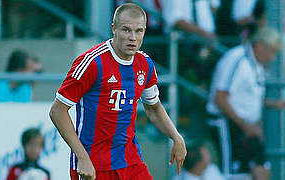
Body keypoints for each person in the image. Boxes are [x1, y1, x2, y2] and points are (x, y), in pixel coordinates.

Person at [49, 3, 187, 180]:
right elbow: (57, 111)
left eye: (138, 31)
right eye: (126, 30)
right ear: (113, 29)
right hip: (93, 165)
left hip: (130, 161)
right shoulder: (92, 62)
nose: (132, 37)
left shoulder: (145, 64)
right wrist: (82, 158)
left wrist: (176, 137)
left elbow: (153, 108)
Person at [206, 27, 285, 180]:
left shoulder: (255, 63)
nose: (273, 58)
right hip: (228, 124)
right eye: (272, 51)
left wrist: (272, 104)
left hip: (248, 126)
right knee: (237, 175)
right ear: (260, 45)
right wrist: (245, 125)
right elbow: (220, 98)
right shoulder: (236, 59)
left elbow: (245, 96)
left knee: (263, 170)